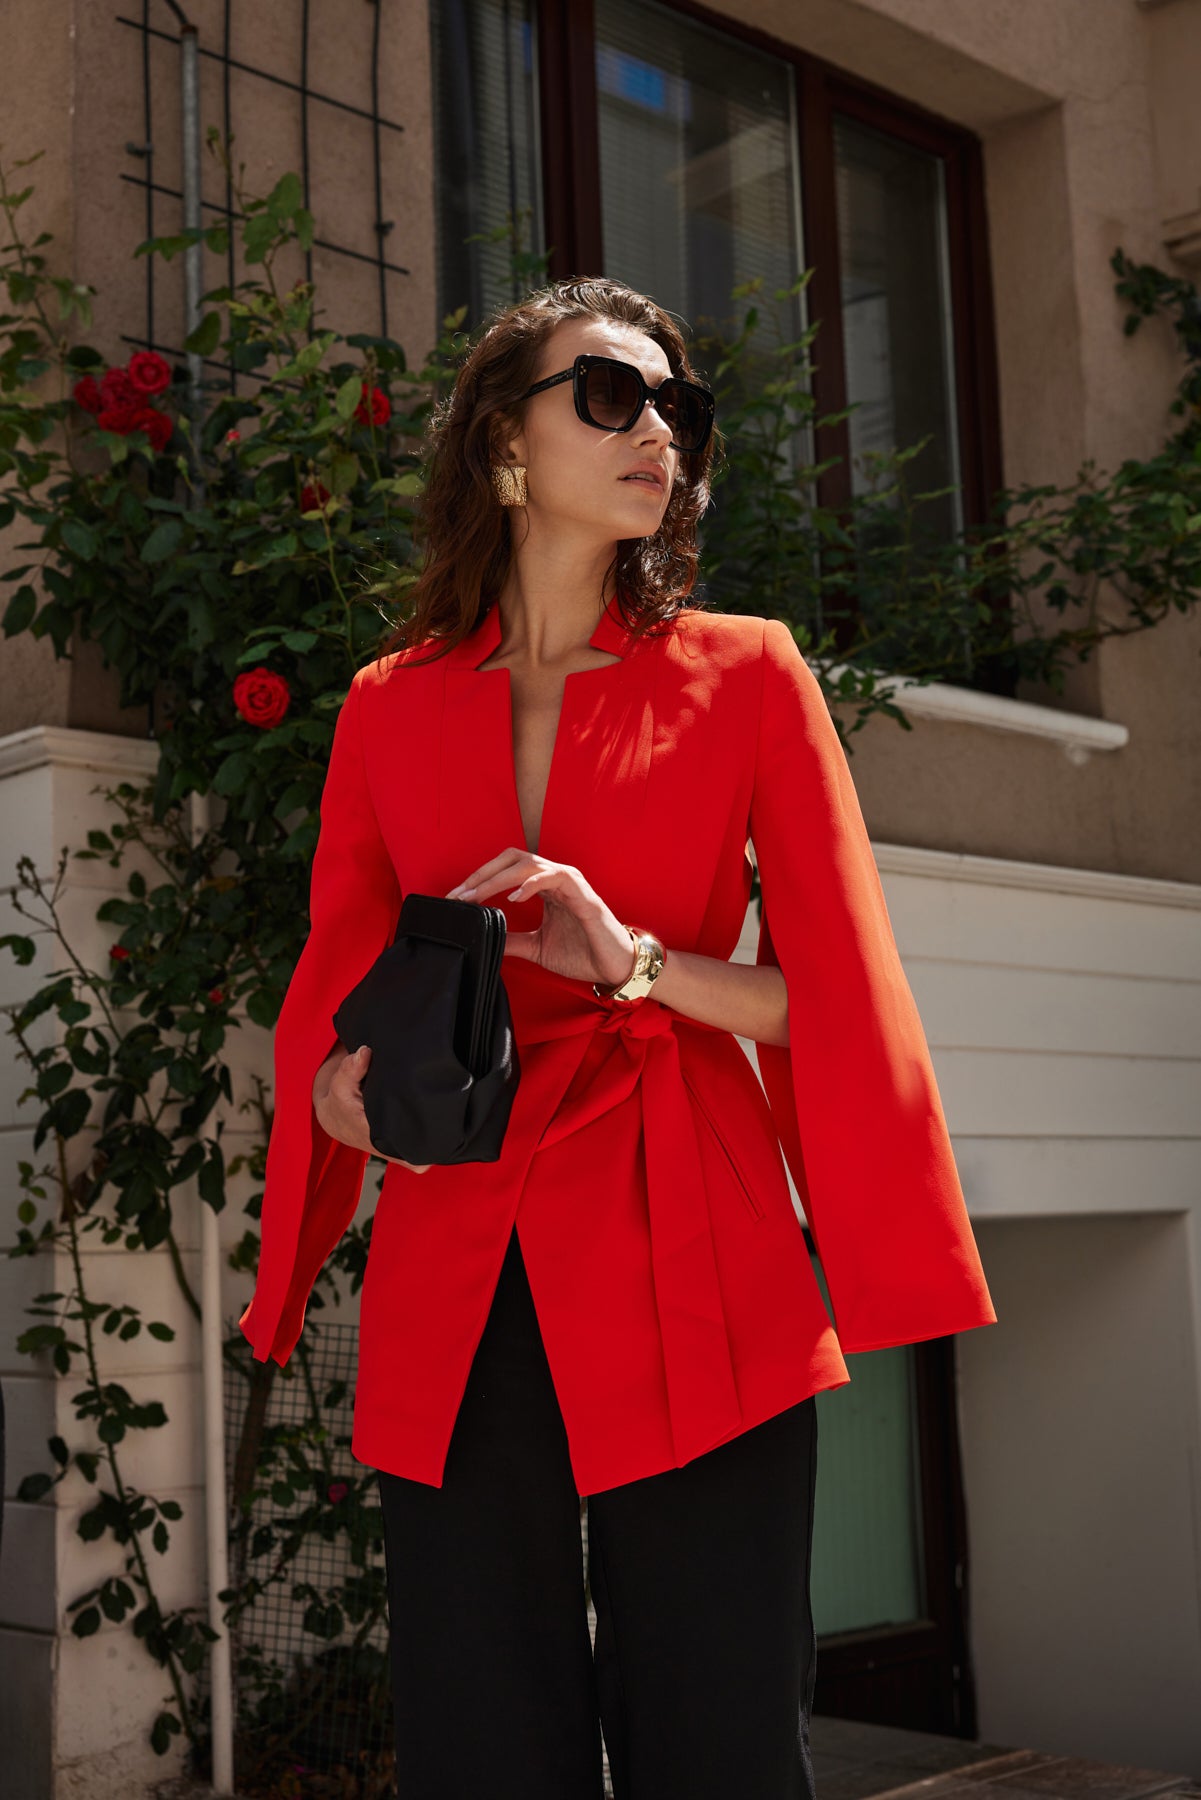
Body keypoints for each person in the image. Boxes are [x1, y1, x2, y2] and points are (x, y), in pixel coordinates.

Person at [239, 276, 997, 1799]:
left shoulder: (748, 673)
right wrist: (336, 1100)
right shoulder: (386, 708)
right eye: (609, 397)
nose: (658, 432)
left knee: (714, 1729)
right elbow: (337, 991)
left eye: (677, 409)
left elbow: (830, 1000)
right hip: (460, 1251)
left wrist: (636, 961)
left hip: (693, 1236)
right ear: (502, 442)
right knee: (480, 1734)